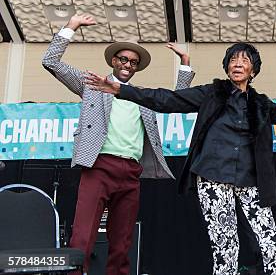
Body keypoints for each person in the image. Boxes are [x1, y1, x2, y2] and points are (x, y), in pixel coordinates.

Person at [84, 42, 276, 275]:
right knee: (226, 245)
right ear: (227, 67)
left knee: (270, 244)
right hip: (213, 178)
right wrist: (121, 90)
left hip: (251, 180)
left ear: (253, 71)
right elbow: (166, 99)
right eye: (233, 60)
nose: (238, 64)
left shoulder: (260, 103)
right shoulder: (212, 93)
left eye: (244, 61)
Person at [41, 14, 195, 275]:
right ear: (113, 61)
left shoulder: (140, 95)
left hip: (131, 173)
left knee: (122, 243)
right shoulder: (93, 85)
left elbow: (175, 100)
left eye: (133, 62)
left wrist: (185, 62)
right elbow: (50, 62)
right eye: (123, 59)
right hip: (99, 166)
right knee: (82, 236)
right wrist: (71, 27)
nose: (127, 64)